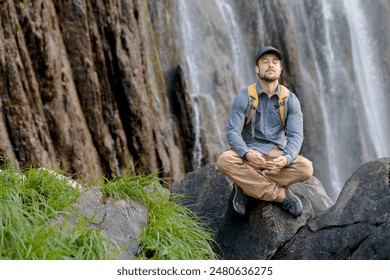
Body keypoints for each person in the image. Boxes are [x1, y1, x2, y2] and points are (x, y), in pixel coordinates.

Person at [217, 46, 313, 217]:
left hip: (276, 155)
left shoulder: (290, 100)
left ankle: (246, 186)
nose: (270, 65)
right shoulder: (244, 97)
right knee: (224, 161)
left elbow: (296, 135)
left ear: (280, 69)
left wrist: (286, 158)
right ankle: (281, 196)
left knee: (306, 168)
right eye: (265, 62)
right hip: (250, 155)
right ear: (257, 68)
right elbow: (232, 131)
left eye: (275, 62)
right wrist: (246, 154)